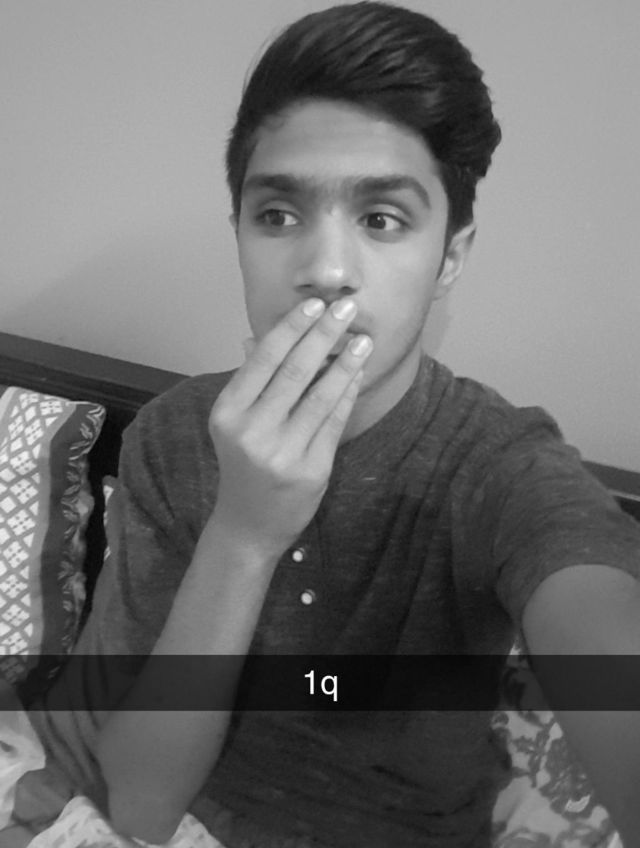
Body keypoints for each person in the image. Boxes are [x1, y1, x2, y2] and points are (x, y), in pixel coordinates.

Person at [12, 2, 640, 847]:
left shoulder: (501, 468)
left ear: (450, 256)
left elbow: (597, 616)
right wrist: (242, 534)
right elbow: (144, 803)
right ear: (238, 233)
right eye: (278, 215)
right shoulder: (173, 436)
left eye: (382, 219)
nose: (326, 270)